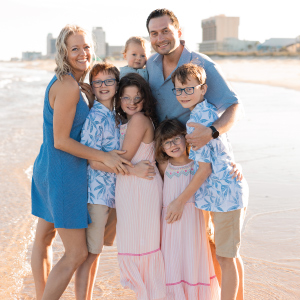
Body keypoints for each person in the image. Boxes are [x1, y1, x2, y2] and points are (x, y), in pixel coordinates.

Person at [31, 25, 131, 300]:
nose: (82, 52)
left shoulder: (73, 84)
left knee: (44, 239)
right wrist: (104, 156)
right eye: (75, 48)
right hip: (62, 173)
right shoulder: (68, 86)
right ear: (64, 53)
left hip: (48, 168)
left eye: (86, 46)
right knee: (77, 253)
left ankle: (42, 294)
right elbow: (62, 140)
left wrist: (86, 95)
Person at [171, 63, 249, 300]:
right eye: (179, 90)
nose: (183, 95)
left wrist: (179, 200)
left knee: (226, 257)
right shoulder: (202, 113)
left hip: (226, 196)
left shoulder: (199, 121)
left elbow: (204, 170)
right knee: (227, 255)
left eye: (189, 89)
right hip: (218, 195)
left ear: (203, 89)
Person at [146, 8, 242, 151]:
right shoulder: (150, 63)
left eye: (165, 31)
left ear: (178, 32)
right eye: (154, 34)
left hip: (194, 154)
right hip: (163, 151)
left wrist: (211, 132)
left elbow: (235, 107)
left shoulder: (202, 65)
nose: (160, 39)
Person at [155, 119, 220, 300]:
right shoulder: (164, 166)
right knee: (172, 261)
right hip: (171, 224)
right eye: (167, 142)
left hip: (194, 221)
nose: (173, 145)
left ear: (186, 138)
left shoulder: (197, 164)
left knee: (193, 259)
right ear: (161, 148)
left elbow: (209, 187)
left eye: (176, 139)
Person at [114, 73, 166, 300]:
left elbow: (121, 160)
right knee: (139, 244)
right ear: (119, 100)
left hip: (139, 187)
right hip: (136, 185)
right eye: (126, 97)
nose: (132, 102)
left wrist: (92, 158)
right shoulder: (132, 121)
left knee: (140, 245)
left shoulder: (138, 120)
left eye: (137, 97)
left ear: (145, 99)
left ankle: (149, 294)